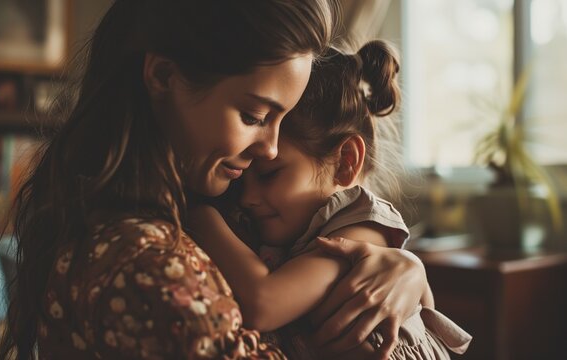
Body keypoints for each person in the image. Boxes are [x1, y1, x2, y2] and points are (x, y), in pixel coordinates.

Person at [0, 1, 431, 359]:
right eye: (254, 116)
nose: (270, 148)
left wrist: (410, 270)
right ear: (164, 76)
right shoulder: (145, 263)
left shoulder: (219, 208)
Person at [188, 43, 472, 359]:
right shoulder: (293, 233)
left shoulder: (359, 230)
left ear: (345, 162)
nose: (248, 199)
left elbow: (263, 304)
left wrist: (201, 218)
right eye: (244, 180)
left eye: (270, 174)